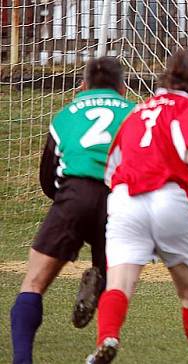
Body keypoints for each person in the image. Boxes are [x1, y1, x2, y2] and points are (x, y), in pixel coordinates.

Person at [86, 49, 188, 364]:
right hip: (168, 198)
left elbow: (111, 167)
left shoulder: (137, 112)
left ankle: (108, 337)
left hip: (125, 200)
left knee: (119, 283)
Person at [10, 57, 133, 364]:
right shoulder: (136, 113)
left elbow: (47, 174)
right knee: (114, 282)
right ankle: (104, 331)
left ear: (83, 85)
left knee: (34, 283)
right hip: (117, 201)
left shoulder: (65, 115)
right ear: (123, 87)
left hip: (74, 194)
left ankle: (22, 359)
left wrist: (65, 201)